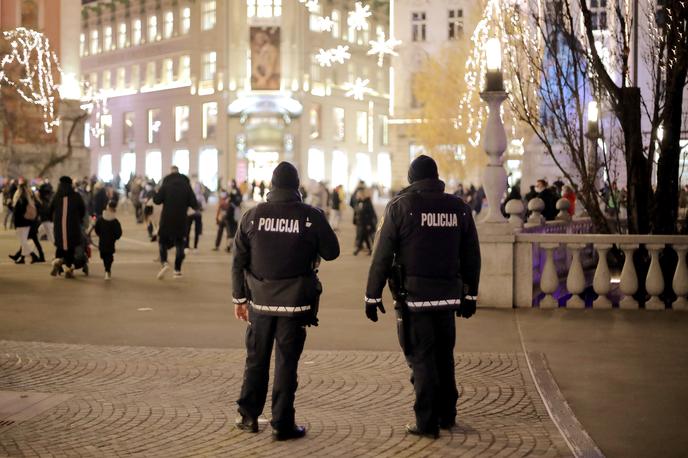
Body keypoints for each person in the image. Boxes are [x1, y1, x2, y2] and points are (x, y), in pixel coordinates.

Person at [363, 155, 481, 439]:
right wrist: (470, 294)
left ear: (411, 178)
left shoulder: (400, 207)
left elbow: (381, 255)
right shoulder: (459, 208)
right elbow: (472, 255)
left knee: (421, 357)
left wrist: (372, 294)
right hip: (447, 298)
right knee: (444, 355)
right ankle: (447, 414)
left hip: (413, 297)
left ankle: (426, 422)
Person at [232, 162, 340, 441]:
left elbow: (238, 261)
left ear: (271, 185)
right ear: (297, 187)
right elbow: (332, 252)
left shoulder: (252, 216)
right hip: (296, 304)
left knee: (256, 360)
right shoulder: (310, 216)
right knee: (286, 364)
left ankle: (248, 417)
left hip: (260, 302)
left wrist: (239, 299)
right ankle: (282, 423)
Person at [154, 166, 198, 279]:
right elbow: (195, 204)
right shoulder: (186, 186)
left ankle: (164, 262)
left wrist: (156, 192)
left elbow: (157, 200)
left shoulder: (166, 184)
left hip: (166, 219)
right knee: (180, 245)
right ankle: (177, 270)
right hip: (181, 220)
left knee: (162, 242)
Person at [50, 176, 86, 278]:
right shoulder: (76, 196)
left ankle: (58, 264)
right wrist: (79, 219)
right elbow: (83, 210)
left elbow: (49, 210)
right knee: (70, 249)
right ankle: (68, 268)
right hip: (73, 228)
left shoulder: (56, 196)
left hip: (59, 228)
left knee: (60, 248)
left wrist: (53, 219)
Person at [9, 179, 41, 264]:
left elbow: (17, 213)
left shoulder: (20, 200)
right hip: (27, 223)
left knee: (23, 242)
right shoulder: (27, 198)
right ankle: (23, 259)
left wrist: (10, 206)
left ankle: (34, 256)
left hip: (21, 224)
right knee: (23, 242)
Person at [94, 200, 122, 280]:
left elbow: (97, 229)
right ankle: (107, 270)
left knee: (104, 256)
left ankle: (107, 270)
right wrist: (114, 238)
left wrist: (100, 235)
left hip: (102, 242)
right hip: (111, 242)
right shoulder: (115, 221)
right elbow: (119, 233)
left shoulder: (100, 219)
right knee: (109, 257)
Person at [353, 188, 377, 255]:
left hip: (366, 223)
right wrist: (354, 221)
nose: (357, 196)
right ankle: (369, 249)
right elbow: (355, 212)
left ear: (362, 195)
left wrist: (369, 224)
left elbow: (371, 214)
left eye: (358, 195)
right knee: (365, 237)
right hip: (359, 223)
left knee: (361, 236)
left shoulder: (368, 202)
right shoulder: (358, 202)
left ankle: (358, 248)